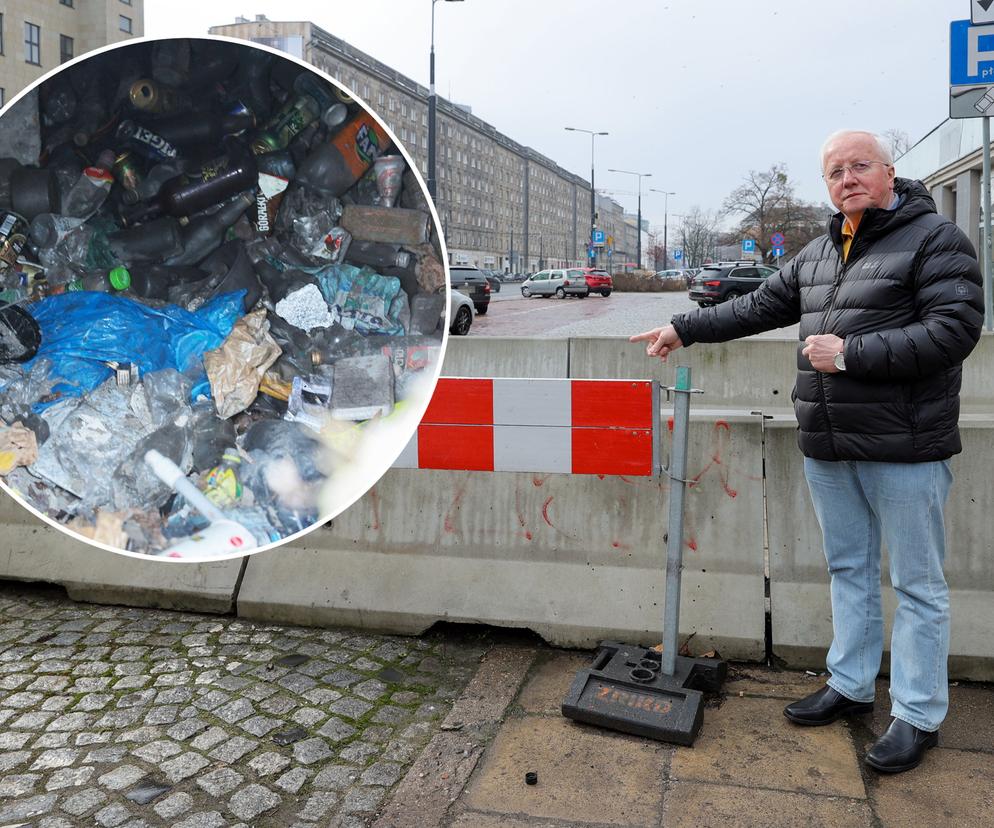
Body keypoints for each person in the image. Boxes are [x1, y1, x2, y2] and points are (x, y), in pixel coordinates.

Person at [631, 129, 984, 774]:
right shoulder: (821, 251)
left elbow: (954, 331)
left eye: (859, 167)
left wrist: (849, 354)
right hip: (828, 442)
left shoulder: (936, 240)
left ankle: (917, 714)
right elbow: (759, 305)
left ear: (889, 172)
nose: (847, 179)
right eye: (834, 172)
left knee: (918, 585)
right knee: (848, 569)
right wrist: (683, 327)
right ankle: (849, 685)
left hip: (905, 445)